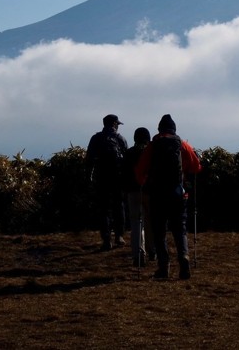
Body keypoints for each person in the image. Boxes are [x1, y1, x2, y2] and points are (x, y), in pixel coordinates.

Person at [136, 114, 202, 280]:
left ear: (159, 129)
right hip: (178, 194)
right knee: (180, 229)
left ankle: (163, 267)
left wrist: (145, 184)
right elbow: (196, 167)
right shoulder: (182, 145)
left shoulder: (153, 146)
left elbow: (139, 171)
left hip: (157, 195)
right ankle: (184, 259)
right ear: (174, 129)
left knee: (159, 231)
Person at [84, 114, 129, 251]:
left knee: (104, 208)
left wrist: (89, 177)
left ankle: (106, 239)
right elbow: (126, 160)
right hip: (117, 177)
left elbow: (89, 159)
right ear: (114, 124)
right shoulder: (120, 139)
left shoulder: (96, 138)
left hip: (101, 176)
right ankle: (119, 236)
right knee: (119, 205)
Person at [123, 126, 155, 267]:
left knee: (136, 223)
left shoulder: (129, 153)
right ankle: (152, 250)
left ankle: (138, 254)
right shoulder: (151, 152)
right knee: (150, 221)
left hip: (132, 191)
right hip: (149, 191)